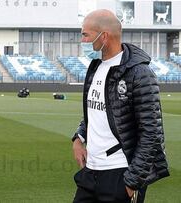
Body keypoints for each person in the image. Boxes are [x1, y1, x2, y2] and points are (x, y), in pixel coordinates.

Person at [72, 9, 169, 203]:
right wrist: (78, 137)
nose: (82, 41)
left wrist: (132, 182)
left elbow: (152, 132)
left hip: (120, 174)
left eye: (85, 35)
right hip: (91, 172)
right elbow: (98, 110)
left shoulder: (140, 73)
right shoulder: (95, 67)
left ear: (104, 36)